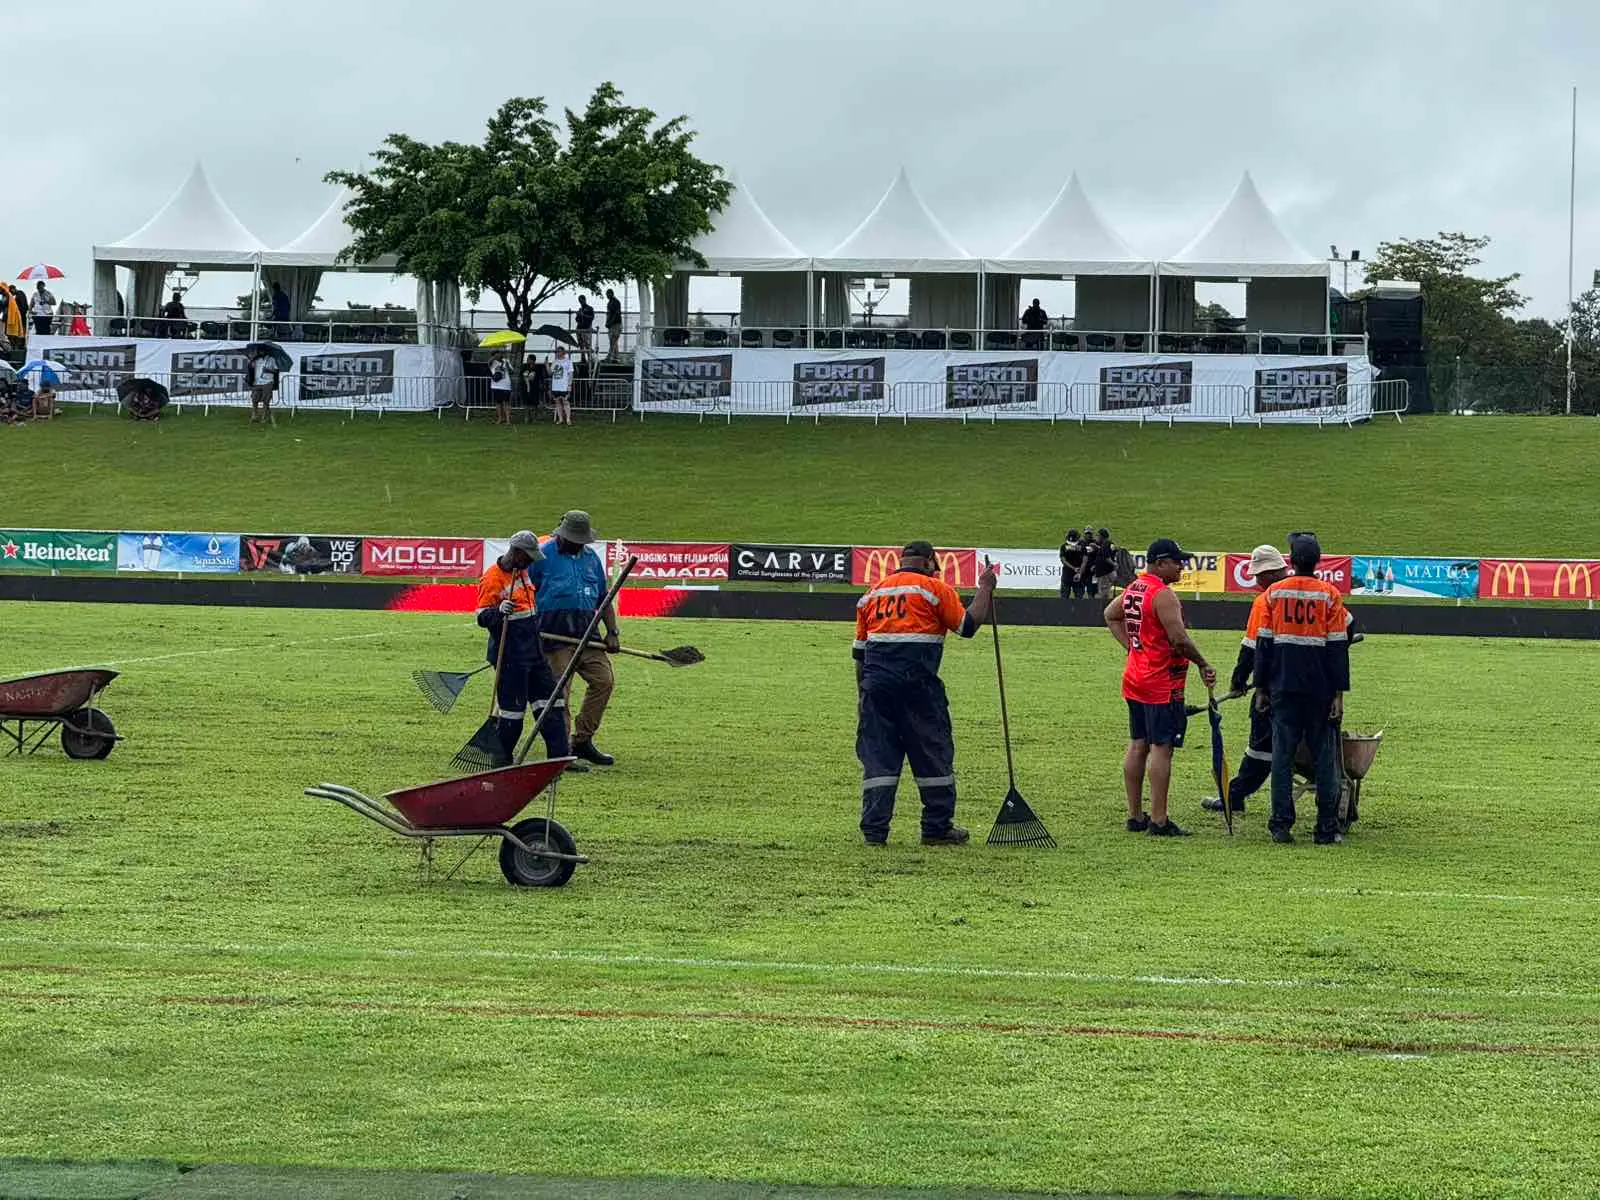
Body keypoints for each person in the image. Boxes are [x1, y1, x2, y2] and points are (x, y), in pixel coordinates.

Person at [1203, 544, 1365, 818]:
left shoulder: (1269, 598)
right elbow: (1348, 625)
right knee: (1320, 755)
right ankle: (1325, 822)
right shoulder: (1323, 592)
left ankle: (1243, 799)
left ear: (1273, 571)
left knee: (1264, 747)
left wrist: (1239, 681)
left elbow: (1252, 646)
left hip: (1278, 687)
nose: (1256, 581)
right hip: (1317, 688)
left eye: (1259, 575)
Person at [854, 542, 998, 846]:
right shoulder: (934, 589)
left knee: (879, 760)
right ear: (931, 561)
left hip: (875, 688)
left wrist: (862, 696)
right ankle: (936, 828)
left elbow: (860, 655)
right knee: (933, 755)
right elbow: (967, 625)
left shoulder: (872, 594)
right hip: (918, 688)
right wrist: (985, 588)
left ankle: (874, 830)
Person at [1105, 538, 1216, 838]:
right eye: (1178, 561)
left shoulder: (1136, 588)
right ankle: (1159, 819)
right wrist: (1203, 664)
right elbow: (1179, 640)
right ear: (1161, 562)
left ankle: (1134, 815)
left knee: (1137, 743)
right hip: (1161, 684)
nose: (1183, 566)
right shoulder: (1163, 594)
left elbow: (1110, 615)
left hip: (1135, 679)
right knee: (1161, 748)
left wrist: (1133, 649)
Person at [1253, 533, 1351, 845]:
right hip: (1320, 691)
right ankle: (1326, 829)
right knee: (1325, 760)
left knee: (1282, 758)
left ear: (1291, 562)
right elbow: (1338, 648)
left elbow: (1264, 644)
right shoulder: (1330, 595)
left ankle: (1281, 825)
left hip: (1283, 687)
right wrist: (1339, 694)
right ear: (1318, 562)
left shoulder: (1274, 594)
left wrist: (1260, 688)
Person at [475, 530, 572, 766]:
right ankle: (500, 761)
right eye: (528, 557)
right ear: (516, 553)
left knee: (551, 703)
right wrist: (498, 611)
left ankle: (559, 760)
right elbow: (480, 617)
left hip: (534, 651)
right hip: (509, 655)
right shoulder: (492, 578)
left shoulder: (523, 571)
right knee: (512, 713)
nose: (531, 562)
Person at [538, 511, 621, 766]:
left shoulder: (591, 560)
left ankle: (582, 741)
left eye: (579, 540)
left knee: (604, 681)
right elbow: (523, 591)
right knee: (559, 694)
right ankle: (561, 751)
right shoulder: (541, 556)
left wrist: (612, 631)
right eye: (570, 538)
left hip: (588, 637)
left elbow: (604, 599)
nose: (574, 543)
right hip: (553, 638)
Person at [246, 348, 280, 424]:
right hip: (257, 382)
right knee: (254, 399)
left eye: (263, 350)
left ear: (266, 351)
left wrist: (269, 370)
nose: (261, 351)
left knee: (266, 400)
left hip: (268, 382)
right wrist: (251, 364)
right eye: (260, 350)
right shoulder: (255, 359)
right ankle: (254, 415)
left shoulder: (271, 359)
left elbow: (276, 370)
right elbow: (250, 369)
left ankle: (263, 417)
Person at [1059, 530, 1088, 600]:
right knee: (1079, 598)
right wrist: (1079, 573)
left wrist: (1073, 568)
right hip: (1078, 575)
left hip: (1067, 574)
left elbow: (1063, 560)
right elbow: (1085, 561)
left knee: (1064, 598)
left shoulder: (1064, 546)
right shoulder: (1082, 547)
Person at [549, 346, 573, 425]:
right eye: (557, 351)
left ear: (563, 352)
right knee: (557, 402)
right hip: (555, 385)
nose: (558, 353)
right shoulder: (555, 362)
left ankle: (568, 419)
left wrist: (569, 384)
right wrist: (546, 364)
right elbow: (550, 373)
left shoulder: (568, 361)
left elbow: (570, 373)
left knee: (565, 402)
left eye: (559, 351)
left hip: (564, 385)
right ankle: (560, 419)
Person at [489, 352, 513, 425]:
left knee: (506, 403)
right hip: (496, 385)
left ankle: (508, 420)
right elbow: (488, 363)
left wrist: (507, 364)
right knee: (498, 403)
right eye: (496, 354)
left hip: (506, 385)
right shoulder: (493, 362)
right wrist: (494, 357)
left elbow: (512, 371)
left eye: (499, 353)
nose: (499, 355)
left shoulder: (506, 361)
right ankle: (500, 418)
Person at [604, 288, 623, 361]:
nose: (607, 296)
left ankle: (610, 357)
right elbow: (609, 314)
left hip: (616, 324)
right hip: (611, 324)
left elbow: (616, 313)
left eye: (608, 294)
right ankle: (616, 357)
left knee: (613, 340)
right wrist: (607, 322)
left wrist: (610, 322)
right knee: (613, 341)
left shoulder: (616, 302)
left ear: (612, 293)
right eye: (606, 294)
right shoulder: (609, 302)